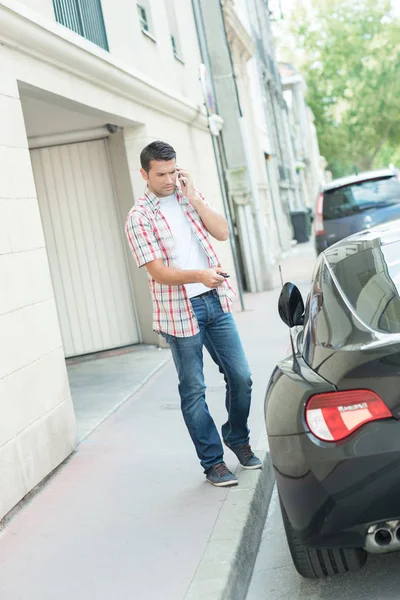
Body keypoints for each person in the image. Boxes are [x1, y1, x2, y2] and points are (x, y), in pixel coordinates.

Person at [125, 140, 261, 487]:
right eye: (161, 174)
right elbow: (158, 272)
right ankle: (213, 462)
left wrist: (195, 198)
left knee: (241, 376)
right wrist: (199, 274)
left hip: (214, 301)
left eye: (173, 171)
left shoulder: (188, 194)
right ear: (145, 174)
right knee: (194, 389)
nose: (169, 180)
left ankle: (237, 436)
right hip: (179, 311)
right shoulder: (139, 217)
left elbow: (221, 232)